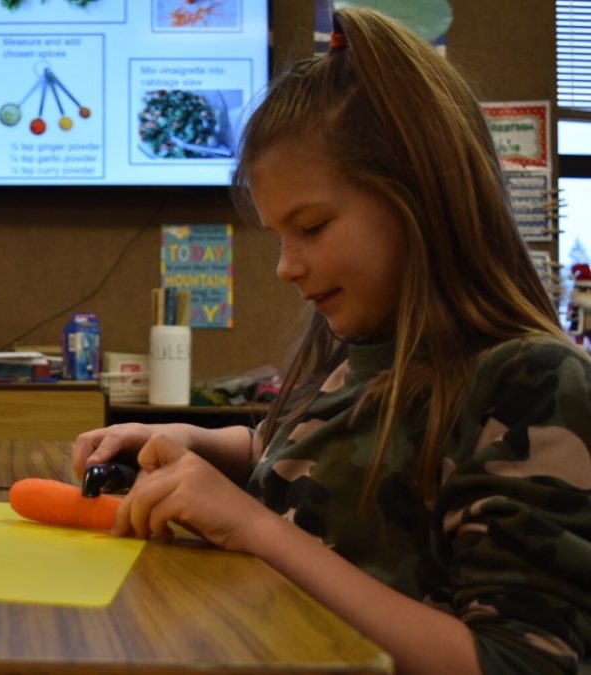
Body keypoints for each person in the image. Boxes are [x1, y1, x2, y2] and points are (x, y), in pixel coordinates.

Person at [72, 8, 591, 675]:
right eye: (280, 237)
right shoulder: (366, 353)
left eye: (311, 228)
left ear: (421, 197)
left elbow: (515, 660)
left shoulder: (531, 386)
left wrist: (258, 529)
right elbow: (326, 451)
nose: (287, 266)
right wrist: (206, 443)